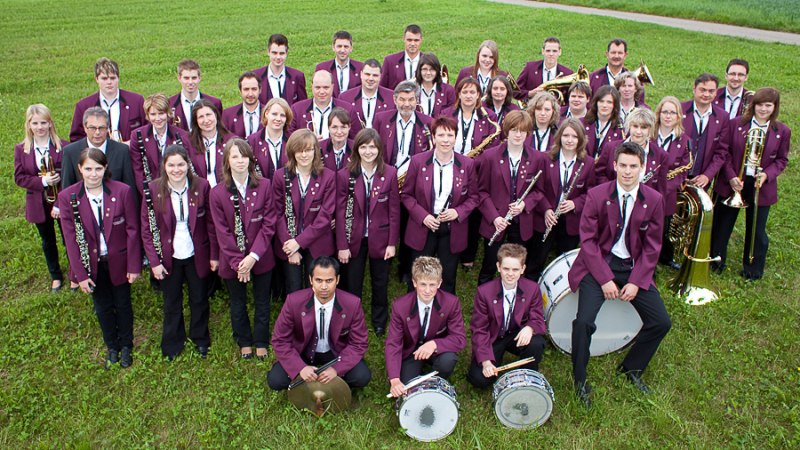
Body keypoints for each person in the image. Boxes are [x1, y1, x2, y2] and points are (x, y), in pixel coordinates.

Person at [568, 142, 671, 408]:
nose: (627, 171)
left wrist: (636, 281)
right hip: (597, 265)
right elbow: (588, 242)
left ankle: (631, 368)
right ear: (614, 165)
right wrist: (604, 279)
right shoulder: (596, 195)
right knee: (583, 322)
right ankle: (579, 379)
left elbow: (652, 247)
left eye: (633, 166)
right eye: (622, 165)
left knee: (661, 322)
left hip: (632, 267)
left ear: (642, 168)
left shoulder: (654, 199)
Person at [59, 148, 141, 368]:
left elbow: (132, 230)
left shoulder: (122, 191)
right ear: (80, 169)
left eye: (98, 169)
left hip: (119, 261)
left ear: (105, 168)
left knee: (123, 303)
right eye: (88, 169)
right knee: (102, 306)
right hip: (92, 264)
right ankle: (112, 346)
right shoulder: (68, 197)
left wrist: (134, 265)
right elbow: (71, 241)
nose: (93, 174)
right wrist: (80, 274)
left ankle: (126, 345)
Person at [142, 145, 216, 360]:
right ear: (164, 166)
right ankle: (173, 342)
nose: (176, 170)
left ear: (188, 165)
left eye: (181, 164)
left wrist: (214, 255)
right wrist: (154, 262)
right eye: (171, 165)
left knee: (199, 298)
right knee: (171, 301)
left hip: (196, 253)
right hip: (168, 255)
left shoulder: (201, 186)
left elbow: (211, 223)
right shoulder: (153, 189)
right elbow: (147, 229)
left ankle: (200, 338)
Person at [711, 88, 790, 280]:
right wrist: (731, 176)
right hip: (734, 181)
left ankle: (752, 268)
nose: (763, 109)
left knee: (756, 228)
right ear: (753, 105)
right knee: (722, 223)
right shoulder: (735, 124)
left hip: (760, 185)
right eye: (759, 105)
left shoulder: (782, 131)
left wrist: (767, 175)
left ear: (775, 107)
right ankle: (716, 261)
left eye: (768, 105)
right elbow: (725, 152)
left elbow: (782, 160)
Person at [210, 139, 277, 359]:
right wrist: (239, 262)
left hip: (261, 256)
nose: (240, 161)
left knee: (262, 300)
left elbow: (269, 224)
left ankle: (261, 340)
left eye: (244, 156)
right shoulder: (217, 193)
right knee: (238, 302)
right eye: (235, 156)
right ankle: (244, 340)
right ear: (227, 161)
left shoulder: (264, 185)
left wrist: (252, 257)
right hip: (233, 260)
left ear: (250, 159)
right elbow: (222, 232)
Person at [267, 256, 371, 390]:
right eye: (319, 280)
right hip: (303, 354)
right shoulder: (293, 301)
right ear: (311, 280)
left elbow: (359, 343)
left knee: (362, 376)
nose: (324, 287)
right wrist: (300, 367)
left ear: (337, 280)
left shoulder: (352, 304)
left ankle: (326, 378)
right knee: (275, 380)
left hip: (336, 355)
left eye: (329, 280)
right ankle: (313, 377)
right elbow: (280, 340)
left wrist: (337, 369)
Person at [401, 116, 478, 294]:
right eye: (441, 135)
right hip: (423, 226)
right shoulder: (417, 161)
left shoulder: (467, 164)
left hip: (452, 228)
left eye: (450, 135)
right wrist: (423, 216)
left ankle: (446, 309)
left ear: (456, 138)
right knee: (419, 275)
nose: (445, 140)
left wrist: (458, 212)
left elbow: (474, 197)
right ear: (433, 137)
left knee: (448, 276)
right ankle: (414, 307)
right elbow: (406, 195)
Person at [335, 129, 400, 336]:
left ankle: (379, 320)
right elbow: (340, 213)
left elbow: (394, 211)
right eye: (363, 147)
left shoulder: (390, 173)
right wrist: (342, 245)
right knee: (352, 283)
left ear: (379, 149)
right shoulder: (345, 175)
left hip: (381, 238)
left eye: (372, 147)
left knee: (380, 282)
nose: (368, 151)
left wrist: (392, 243)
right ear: (356, 149)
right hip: (353, 239)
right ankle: (352, 321)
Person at [477, 110, 545, 284]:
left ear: (528, 133)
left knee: (517, 266)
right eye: (514, 130)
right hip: (496, 221)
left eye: (522, 131)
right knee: (489, 265)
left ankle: (515, 296)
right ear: (507, 130)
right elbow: (481, 192)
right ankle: (484, 296)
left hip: (521, 222)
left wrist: (524, 205)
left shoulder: (537, 158)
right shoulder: (490, 156)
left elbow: (539, 191)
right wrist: (495, 218)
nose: (518, 135)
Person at [467, 244, 546, 388]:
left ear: (523, 269)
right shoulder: (484, 292)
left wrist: (530, 328)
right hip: (494, 338)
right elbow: (479, 329)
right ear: (498, 267)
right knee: (479, 379)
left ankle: (527, 374)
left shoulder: (532, 288)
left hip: (517, 334)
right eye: (506, 269)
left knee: (536, 343)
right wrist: (486, 362)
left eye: (515, 269)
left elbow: (538, 318)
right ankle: (492, 360)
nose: (510, 274)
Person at [386, 256, 466, 397]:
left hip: (437, 350)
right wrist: (394, 379)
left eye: (432, 285)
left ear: (439, 283)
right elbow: (394, 343)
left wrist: (434, 344)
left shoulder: (451, 303)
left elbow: (459, 339)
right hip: (411, 352)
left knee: (448, 360)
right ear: (414, 282)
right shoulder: (400, 306)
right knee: (407, 389)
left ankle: (437, 382)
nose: (427, 290)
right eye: (423, 284)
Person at [529, 118, 595, 279]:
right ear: (559, 137)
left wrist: (575, 203)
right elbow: (537, 189)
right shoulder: (545, 159)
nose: (569, 140)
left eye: (574, 136)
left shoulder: (588, 163)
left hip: (571, 221)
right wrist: (546, 209)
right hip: (547, 218)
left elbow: (592, 192)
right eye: (566, 135)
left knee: (564, 262)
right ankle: (530, 286)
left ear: (581, 139)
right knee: (537, 258)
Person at [271, 129, 336, 294]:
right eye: (299, 150)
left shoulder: (328, 176)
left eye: (308, 150)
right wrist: (290, 245)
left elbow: (325, 216)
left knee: (315, 289)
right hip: (288, 241)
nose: (304, 155)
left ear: (315, 151)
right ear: (292, 152)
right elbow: (277, 213)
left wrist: (299, 242)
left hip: (317, 242)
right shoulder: (280, 176)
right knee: (293, 288)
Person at [14, 104, 67, 292]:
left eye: (43, 122)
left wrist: (59, 202)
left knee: (68, 237)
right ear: (28, 125)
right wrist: (43, 181)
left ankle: (76, 273)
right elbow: (19, 178)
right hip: (38, 202)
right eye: (35, 123)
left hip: (61, 200)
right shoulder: (22, 149)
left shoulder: (63, 146)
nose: (40, 127)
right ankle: (56, 275)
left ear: (50, 123)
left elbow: (70, 177)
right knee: (48, 240)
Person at [69, 57, 145, 143]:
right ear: (97, 79)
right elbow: (76, 138)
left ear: (118, 78)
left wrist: (132, 144)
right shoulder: (83, 106)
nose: (109, 82)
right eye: (104, 78)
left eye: (112, 78)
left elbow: (147, 132)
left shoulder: (136, 101)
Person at [129, 93, 192, 197]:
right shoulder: (137, 135)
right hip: (150, 192)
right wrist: (149, 194)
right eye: (153, 114)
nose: (157, 118)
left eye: (161, 113)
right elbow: (138, 170)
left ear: (168, 113)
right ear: (147, 115)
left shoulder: (182, 136)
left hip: (177, 190)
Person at [61, 107, 136, 194]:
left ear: (108, 128)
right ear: (85, 128)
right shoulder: (70, 152)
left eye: (101, 128)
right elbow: (67, 188)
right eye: (92, 128)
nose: (97, 132)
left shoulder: (122, 150)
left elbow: (129, 187)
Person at [653, 96, 691, 270]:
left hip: (667, 192)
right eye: (665, 112)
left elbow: (683, 170)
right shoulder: (649, 134)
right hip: (646, 187)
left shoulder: (684, 140)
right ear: (659, 114)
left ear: (678, 116)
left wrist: (663, 189)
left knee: (664, 227)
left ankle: (665, 257)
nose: (668, 116)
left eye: (672, 113)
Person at [595, 108, 667, 197]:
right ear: (629, 126)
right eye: (635, 126)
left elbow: (661, 189)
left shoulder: (661, 155)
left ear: (650, 129)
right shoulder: (610, 148)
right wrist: (612, 191)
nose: (638, 132)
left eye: (643, 127)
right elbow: (599, 174)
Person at [373, 80, 433, 178]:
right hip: (385, 176)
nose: (406, 104)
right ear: (395, 99)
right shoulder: (381, 119)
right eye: (402, 99)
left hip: (415, 177)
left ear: (417, 100)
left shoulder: (428, 122)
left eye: (411, 99)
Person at [681, 73, 730, 190]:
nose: (706, 94)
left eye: (711, 91)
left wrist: (707, 175)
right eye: (702, 90)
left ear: (716, 92)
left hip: (701, 179)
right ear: (694, 89)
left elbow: (721, 151)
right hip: (677, 177)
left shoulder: (723, 117)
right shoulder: (679, 109)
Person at [288, 70, 360, 140]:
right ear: (312, 87)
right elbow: (289, 138)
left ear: (332, 86)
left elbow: (356, 139)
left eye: (326, 87)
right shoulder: (297, 109)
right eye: (317, 87)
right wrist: (308, 142)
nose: (322, 92)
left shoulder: (348, 109)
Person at [441, 77, 498, 155]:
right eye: (465, 92)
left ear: (478, 95)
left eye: (472, 92)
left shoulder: (489, 117)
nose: (468, 96)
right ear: (459, 94)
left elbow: (492, 148)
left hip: (477, 161)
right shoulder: (446, 114)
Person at [188, 99, 236, 189]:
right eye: (201, 117)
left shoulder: (232, 141)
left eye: (208, 115)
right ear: (196, 121)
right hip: (198, 191)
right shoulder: (187, 143)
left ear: (216, 115)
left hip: (225, 191)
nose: (206, 120)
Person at [252, 33, 308, 106]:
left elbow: (303, 106)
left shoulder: (297, 76)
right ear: (268, 52)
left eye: (281, 53)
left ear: (286, 53)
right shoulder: (256, 76)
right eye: (274, 53)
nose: (278, 57)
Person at [169, 59, 223, 133]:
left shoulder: (215, 103)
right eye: (186, 78)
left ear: (199, 78)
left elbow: (220, 130)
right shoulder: (169, 104)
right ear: (179, 78)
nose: (190, 82)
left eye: (194, 78)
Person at [339, 59, 395, 129]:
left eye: (375, 75)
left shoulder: (392, 98)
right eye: (367, 74)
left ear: (380, 76)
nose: (371, 78)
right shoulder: (345, 98)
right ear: (361, 74)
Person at [516, 37, 574, 101]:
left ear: (560, 52)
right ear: (543, 51)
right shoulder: (530, 67)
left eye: (554, 51)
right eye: (548, 51)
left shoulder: (567, 73)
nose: (551, 54)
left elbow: (571, 98)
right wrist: (530, 93)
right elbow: (515, 91)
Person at [589, 38, 645, 104]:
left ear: (625, 55)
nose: (616, 56)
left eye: (620, 53)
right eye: (613, 52)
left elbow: (640, 104)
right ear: (607, 54)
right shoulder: (592, 78)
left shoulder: (635, 80)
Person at [248, 97, 292, 180]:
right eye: (274, 114)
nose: (278, 119)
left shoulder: (293, 140)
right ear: (266, 114)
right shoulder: (251, 141)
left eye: (282, 115)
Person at [315, 31, 364, 98]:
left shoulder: (360, 68)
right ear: (333, 47)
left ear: (351, 48)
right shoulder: (322, 68)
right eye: (339, 46)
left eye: (346, 47)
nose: (342, 50)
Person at [583, 85, 624, 158]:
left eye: (609, 102)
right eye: (601, 101)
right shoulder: (582, 123)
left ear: (615, 105)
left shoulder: (620, 129)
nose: (604, 105)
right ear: (596, 103)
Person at [380, 24, 424, 90]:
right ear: (404, 39)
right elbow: (381, 87)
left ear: (421, 40)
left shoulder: (428, 62)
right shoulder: (390, 61)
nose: (412, 44)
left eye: (416, 40)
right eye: (409, 40)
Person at [222, 71, 264, 138]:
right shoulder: (228, 115)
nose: (250, 94)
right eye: (246, 89)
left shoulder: (269, 113)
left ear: (260, 90)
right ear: (240, 91)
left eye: (254, 89)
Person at [415, 52, 456, 117]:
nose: (428, 73)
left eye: (432, 69)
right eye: (425, 69)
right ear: (419, 71)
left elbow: (453, 114)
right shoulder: (412, 90)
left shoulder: (448, 91)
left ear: (437, 71)